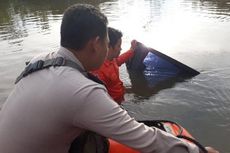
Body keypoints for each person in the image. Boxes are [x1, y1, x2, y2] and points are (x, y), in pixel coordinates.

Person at [0, 3, 218, 153]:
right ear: (95, 44)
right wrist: (197, 150)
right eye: (106, 42)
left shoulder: (41, 61)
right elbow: (144, 138)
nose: (108, 49)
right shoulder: (82, 91)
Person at [91, 27, 136, 104]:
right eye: (118, 46)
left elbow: (119, 60)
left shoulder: (112, 60)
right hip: (112, 105)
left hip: (119, 100)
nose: (120, 49)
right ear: (109, 46)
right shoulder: (99, 70)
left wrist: (131, 50)